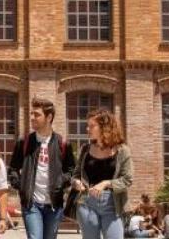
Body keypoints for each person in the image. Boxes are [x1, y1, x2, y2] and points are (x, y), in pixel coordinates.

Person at [10, 97, 77, 239]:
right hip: (31, 204)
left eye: (37, 114)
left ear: (49, 117)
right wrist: (21, 185)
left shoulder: (63, 143)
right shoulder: (24, 142)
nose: (32, 117)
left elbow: (72, 170)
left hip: (54, 205)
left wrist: (61, 183)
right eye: (32, 114)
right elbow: (13, 169)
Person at [72, 108, 134, 239]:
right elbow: (76, 175)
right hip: (87, 203)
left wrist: (106, 183)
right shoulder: (85, 149)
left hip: (113, 205)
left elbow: (128, 179)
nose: (87, 129)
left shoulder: (123, 151)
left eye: (91, 126)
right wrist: (76, 182)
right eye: (87, 126)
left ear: (104, 127)